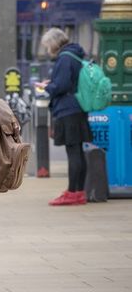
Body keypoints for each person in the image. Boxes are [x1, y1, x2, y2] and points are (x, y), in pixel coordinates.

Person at [36, 27, 92, 206]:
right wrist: (53, 83)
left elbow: (61, 85)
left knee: (73, 152)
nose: (47, 50)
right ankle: (78, 191)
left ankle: (73, 192)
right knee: (78, 152)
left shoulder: (65, 58)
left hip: (68, 110)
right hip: (78, 108)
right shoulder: (74, 54)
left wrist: (46, 87)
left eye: (47, 46)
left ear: (53, 43)